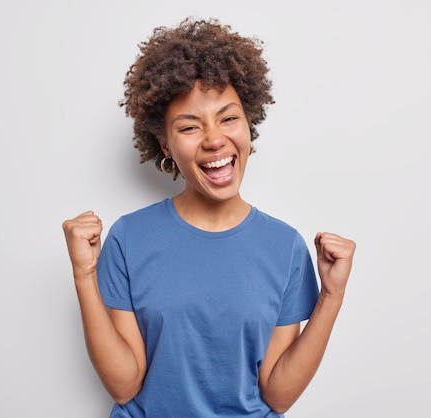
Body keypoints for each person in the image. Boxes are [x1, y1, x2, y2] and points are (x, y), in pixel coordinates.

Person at [62, 17, 356, 417]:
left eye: (229, 118)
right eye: (190, 127)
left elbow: (278, 395)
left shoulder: (285, 246)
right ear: (165, 144)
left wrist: (331, 296)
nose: (215, 139)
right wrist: (83, 276)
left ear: (249, 124)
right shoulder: (128, 238)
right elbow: (124, 385)